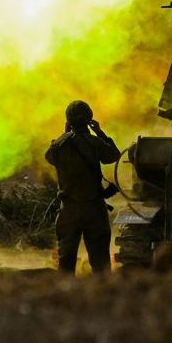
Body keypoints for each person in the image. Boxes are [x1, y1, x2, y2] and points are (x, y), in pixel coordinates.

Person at [44, 99, 121, 274]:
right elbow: (113, 155)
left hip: (69, 209)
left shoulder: (58, 146)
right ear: (89, 119)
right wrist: (99, 132)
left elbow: (49, 158)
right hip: (93, 208)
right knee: (100, 262)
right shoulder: (95, 143)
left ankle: (66, 296)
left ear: (68, 121)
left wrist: (64, 134)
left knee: (66, 262)